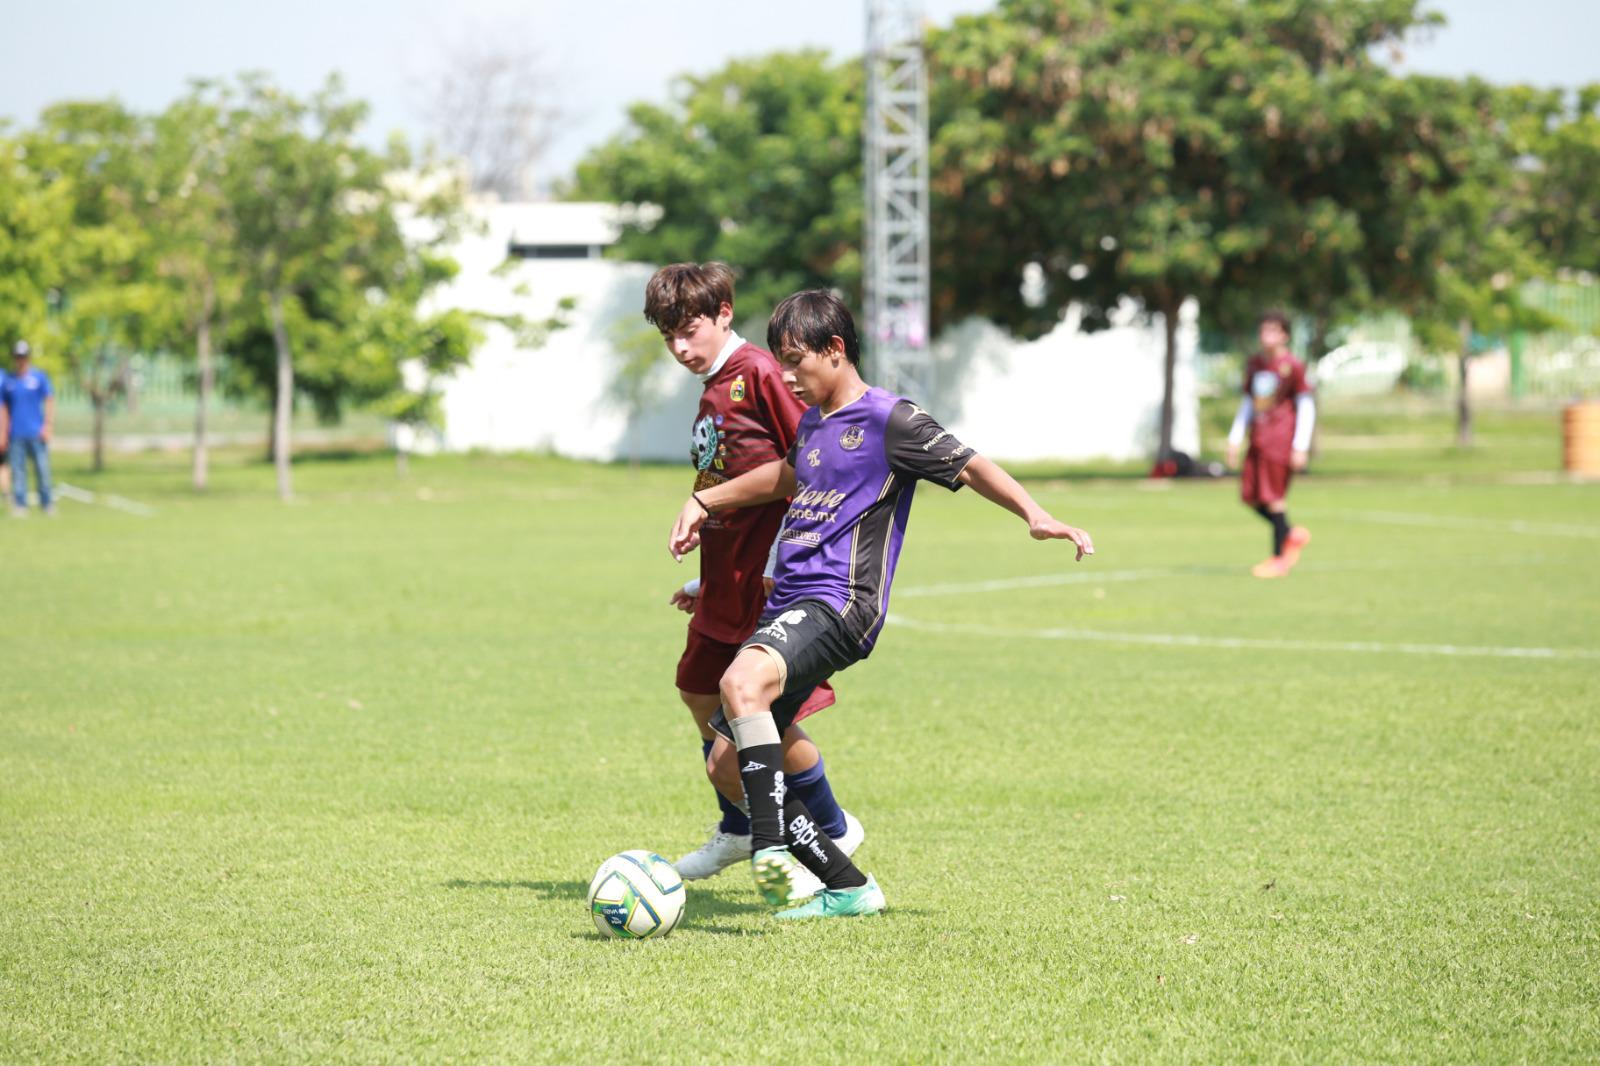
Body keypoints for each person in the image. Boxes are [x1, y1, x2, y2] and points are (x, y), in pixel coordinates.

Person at [668, 290, 1094, 920]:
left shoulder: (891, 419)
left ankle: (768, 848)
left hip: (840, 601)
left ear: (835, 350)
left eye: (795, 361)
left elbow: (971, 466)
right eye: (780, 362)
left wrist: (1036, 514)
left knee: (740, 678)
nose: (785, 376)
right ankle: (849, 887)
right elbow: (789, 478)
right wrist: (708, 501)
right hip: (789, 598)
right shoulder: (813, 421)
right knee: (726, 764)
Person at [644, 263, 863, 898]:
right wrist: (709, 574)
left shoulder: (763, 373)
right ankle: (741, 824)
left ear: (725, 313)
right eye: (669, 338)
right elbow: (731, 473)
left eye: (690, 331)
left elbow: (806, 469)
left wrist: (768, 564)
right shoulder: (714, 385)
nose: (682, 348)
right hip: (726, 579)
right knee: (696, 693)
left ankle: (830, 826)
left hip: (767, 581)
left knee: (754, 718)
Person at [1224, 312, 1315, 578]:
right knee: (1250, 497)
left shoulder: (1292, 366)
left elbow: (1306, 406)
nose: (1266, 336)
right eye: (1263, 330)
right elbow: (1248, 404)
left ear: (1285, 335)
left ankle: (1279, 559)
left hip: (1280, 440)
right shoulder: (1255, 365)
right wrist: (1234, 438)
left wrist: (1301, 445)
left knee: (1275, 499)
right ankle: (1291, 533)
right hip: (1258, 439)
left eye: (1273, 331)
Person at [2, 341, 55, 517]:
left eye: (23, 356)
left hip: (36, 432)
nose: (20, 360)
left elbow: (49, 399)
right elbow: (4, 409)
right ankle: (20, 504)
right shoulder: (9, 382)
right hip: (16, 433)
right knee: (18, 470)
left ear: (28, 357)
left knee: (42, 469)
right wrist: (3, 432)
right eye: (18, 356)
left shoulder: (38, 378)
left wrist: (47, 425)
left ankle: (47, 503)